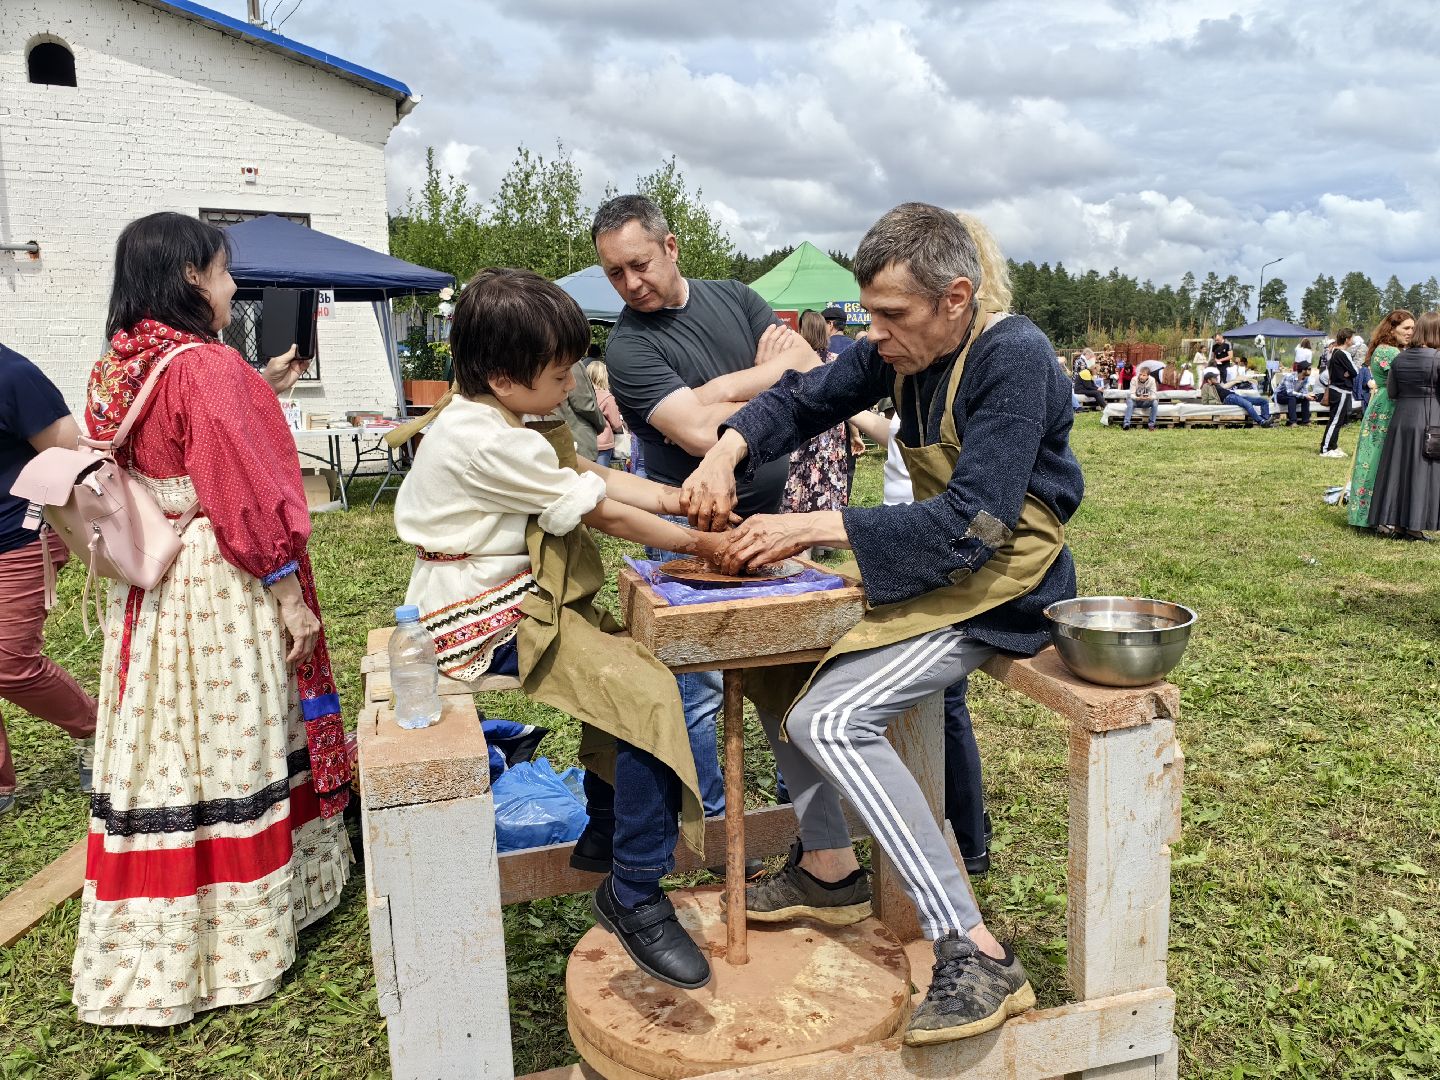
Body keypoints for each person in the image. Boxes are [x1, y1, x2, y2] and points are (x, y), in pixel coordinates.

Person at [682, 203, 1083, 1045]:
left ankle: (973, 948)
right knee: (786, 671)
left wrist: (810, 526)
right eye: (869, 314)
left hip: (1004, 580)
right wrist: (725, 449)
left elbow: (979, 521)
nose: (876, 334)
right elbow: (800, 401)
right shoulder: (899, 350)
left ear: (956, 298)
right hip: (938, 563)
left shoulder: (1013, 356)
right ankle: (829, 870)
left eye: (892, 315)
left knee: (830, 719)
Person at [394, 268, 731, 989]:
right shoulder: (486, 440)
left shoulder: (500, 417)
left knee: (624, 657)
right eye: (557, 373)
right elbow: (601, 512)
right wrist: (702, 545)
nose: (572, 381)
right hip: (474, 615)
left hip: (509, 593)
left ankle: (607, 827)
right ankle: (634, 890)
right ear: (502, 377)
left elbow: (591, 474)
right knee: (648, 694)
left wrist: (681, 500)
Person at [73, 212, 352, 1026]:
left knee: (169, 742)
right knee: (235, 734)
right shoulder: (205, 366)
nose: (233, 288)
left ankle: (158, 927)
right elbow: (240, 488)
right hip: (218, 577)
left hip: (155, 584)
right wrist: (289, 594)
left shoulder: (121, 364)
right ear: (192, 276)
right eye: (225, 273)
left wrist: (260, 386)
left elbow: (180, 445)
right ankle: (241, 934)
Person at [592, 194, 820, 819]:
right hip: (684, 520)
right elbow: (698, 435)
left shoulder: (737, 298)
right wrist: (771, 383)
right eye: (615, 273)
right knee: (698, 685)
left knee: (791, 663)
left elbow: (809, 367)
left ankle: (800, 816)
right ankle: (713, 824)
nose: (630, 283)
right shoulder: (628, 348)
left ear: (670, 247)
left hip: (773, 514)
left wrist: (717, 391)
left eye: (640, 264)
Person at [0, 345, 97, 819]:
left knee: (7, 660)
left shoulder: (13, 376)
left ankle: (98, 729)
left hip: (18, 536)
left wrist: (40, 518)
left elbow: (70, 458)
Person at [1367, 310, 1440, 541]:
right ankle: (1415, 527)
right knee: (1422, 472)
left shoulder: (1400, 358)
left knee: (1399, 471)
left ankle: (1398, 525)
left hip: (1401, 419)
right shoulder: (1437, 358)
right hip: (1430, 418)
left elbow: (1392, 392)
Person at [1348, 311, 1414, 528]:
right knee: (1376, 459)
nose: (1411, 332)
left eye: (1413, 328)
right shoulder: (1388, 351)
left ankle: (1378, 514)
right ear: (1392, 329)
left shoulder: (1394, 350)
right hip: (1387, 407)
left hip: (1388, 404)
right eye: (1406, 328)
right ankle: (1370, 516)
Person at [781, 311, 850, 518]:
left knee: (798, 480)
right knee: (826, 478)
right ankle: (823, 528)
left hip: (802, 430)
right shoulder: (836, 361)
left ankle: (796, 524)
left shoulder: (792, 365)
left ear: (804, 331)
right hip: (830, 432)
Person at [553, 360, 607, 461]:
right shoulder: (570, 359)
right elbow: (584, 404)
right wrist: (601, 423)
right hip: (577, 439)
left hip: (562, 439)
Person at [1321, 328, 1361, 457]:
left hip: (1339, 390)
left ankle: (1333, 446)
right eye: (1352, 337)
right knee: (1335, 420)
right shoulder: (1342, 354)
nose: (1353, 340)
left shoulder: (1335, 352)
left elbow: (1352, 371)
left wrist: (1349, 371)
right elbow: (1355, 371)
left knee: (1338, 421)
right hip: (1340, 391)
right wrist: (1349, 372)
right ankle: (1326, 448)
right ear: (1347, 339)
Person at [586, 360, 626, 469]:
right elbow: (616, 424)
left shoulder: (583, 394)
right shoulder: (607, 397)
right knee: (602, 474)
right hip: (603, 443)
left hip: (586, 440)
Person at [1200, 371, 1273, 426]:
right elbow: (1205, 401)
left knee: (1263, 401)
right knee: (1248, 404)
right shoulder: (1206, 386)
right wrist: (1215, 403)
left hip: (1235, 396)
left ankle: (1265, 419)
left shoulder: (1217, 385)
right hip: (1228, 398)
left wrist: (1237, 381)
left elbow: (1226, 386)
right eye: (1214, 378)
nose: (1216, 378)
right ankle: (1261, 422)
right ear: (1209, 380)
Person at [1276, 359, 1322, 425]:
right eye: (1309, 369)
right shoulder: (1289, 377)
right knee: (1292, 398)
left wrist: (1309, 395)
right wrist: (1304, 395)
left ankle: (1306, 421)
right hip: (1281, 395)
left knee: (1305, 398)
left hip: (1293, 395)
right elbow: (1290, 392)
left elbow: (1304, 391)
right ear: (1303, 370)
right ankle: (1293, 422)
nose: (1311, 371)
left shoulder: (1306, 378)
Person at [1122, 365, 1160, 430]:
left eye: (1144, 375)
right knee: (1130, 401)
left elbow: (1154, 394)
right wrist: (1138, 398)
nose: (1141, 376)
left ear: (1148, 376)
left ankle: (1151, 425)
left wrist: (1150, 398)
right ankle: (1126, 424)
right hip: (1135, 401)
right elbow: (1132, 394)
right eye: (1140, 374)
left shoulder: (1152, 380)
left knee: (1155, 402)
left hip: (1146, 401)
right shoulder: (1134, 379)